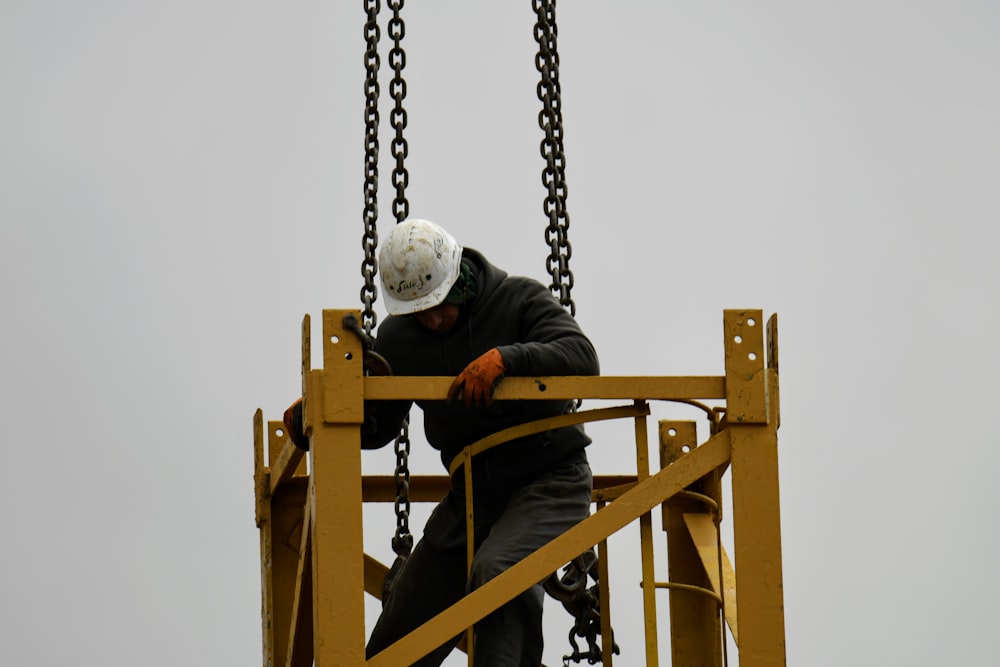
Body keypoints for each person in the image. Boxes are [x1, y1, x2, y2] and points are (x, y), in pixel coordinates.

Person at [290, 218, 600, 666]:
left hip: (550, 480)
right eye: (420, 311)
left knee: (499, 574)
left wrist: (507, 359)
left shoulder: (518, 300)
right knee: (401, 631)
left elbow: (582, 357)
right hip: (473, 495)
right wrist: (319, 412)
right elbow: (379, 426)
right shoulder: (401, 339)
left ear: (458, 279)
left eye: (439, 305)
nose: (432, 320)